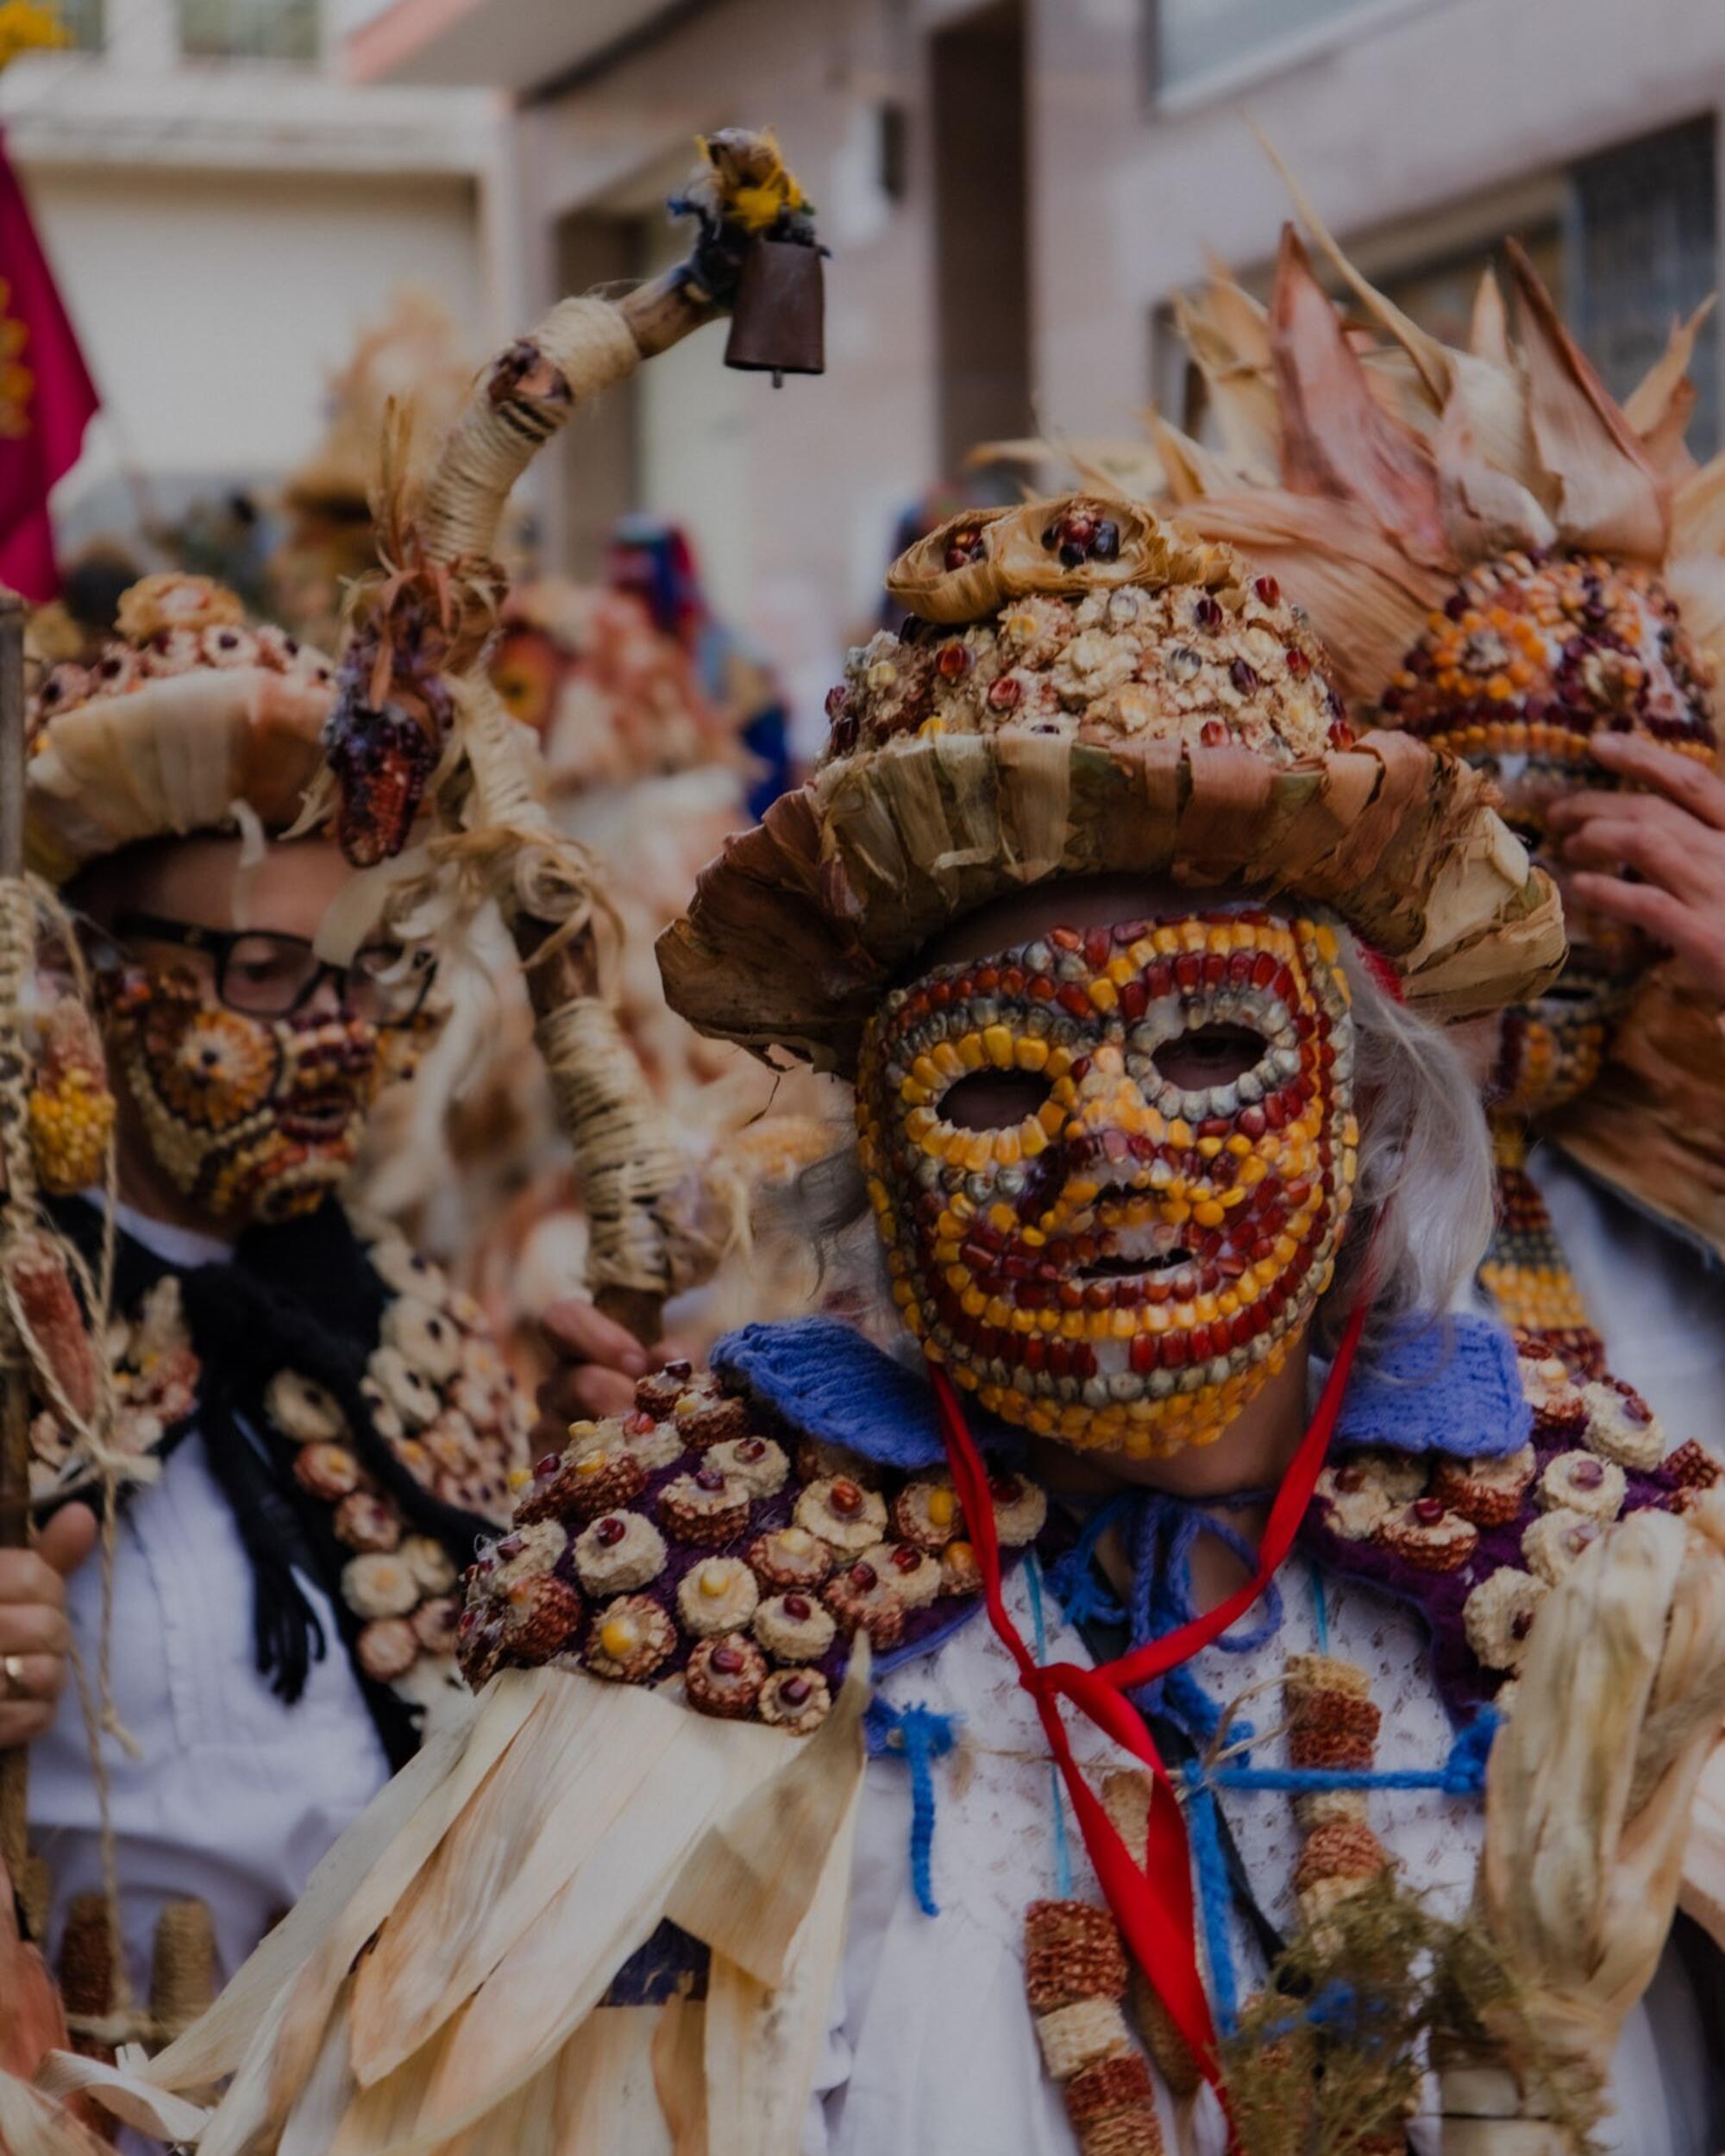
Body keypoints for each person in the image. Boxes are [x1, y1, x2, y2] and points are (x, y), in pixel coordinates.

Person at [129, 495, 1725, 2156]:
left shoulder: (1599, 1566)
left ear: (1367, 1108)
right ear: (881, 1162)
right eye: (998, 1078)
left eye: (1203, 1050)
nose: (1110, 1156)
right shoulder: (711, 1610)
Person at [1, 569, 539, 2026]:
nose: (326, 1034)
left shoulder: (410, 1312)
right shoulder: (16, 1316)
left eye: (360, 977)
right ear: (86, 976)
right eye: (261, 970)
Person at [1151, 221, 1725, 1439]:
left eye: (1626, 864)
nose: (1549, 933)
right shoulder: (1175, 1179)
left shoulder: (1689, 1183)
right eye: (1497, 845)